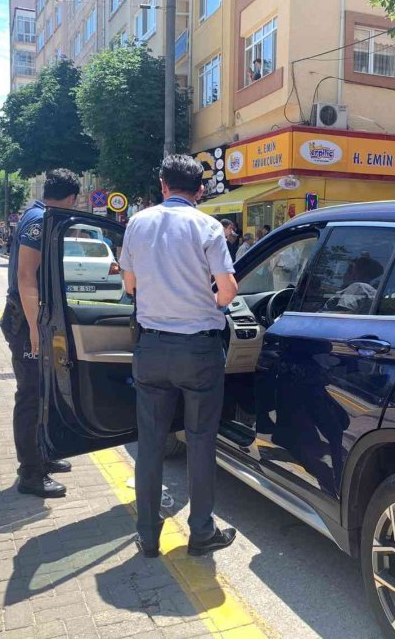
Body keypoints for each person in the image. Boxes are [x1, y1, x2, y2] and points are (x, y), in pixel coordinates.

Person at [120, 154, 239, 559]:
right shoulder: (208, 226)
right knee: (201, 442)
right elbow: (227, 291)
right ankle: (201, 533)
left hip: (151, 347)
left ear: (163, 184)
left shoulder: (137, 223)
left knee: (150, 444)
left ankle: (148, 536)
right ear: (200, 190)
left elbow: (130, 285)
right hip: (199, 350)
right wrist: (211, 302)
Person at [0, 169, 79, 498]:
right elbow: (25, 277)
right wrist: (35, 328)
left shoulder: (40, 216)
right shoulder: (38, 221)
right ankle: (30, 473)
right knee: (31, 395)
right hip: (27, 320)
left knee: (44, 393)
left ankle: (42, 456)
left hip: (36, 318)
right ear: (71, 199)